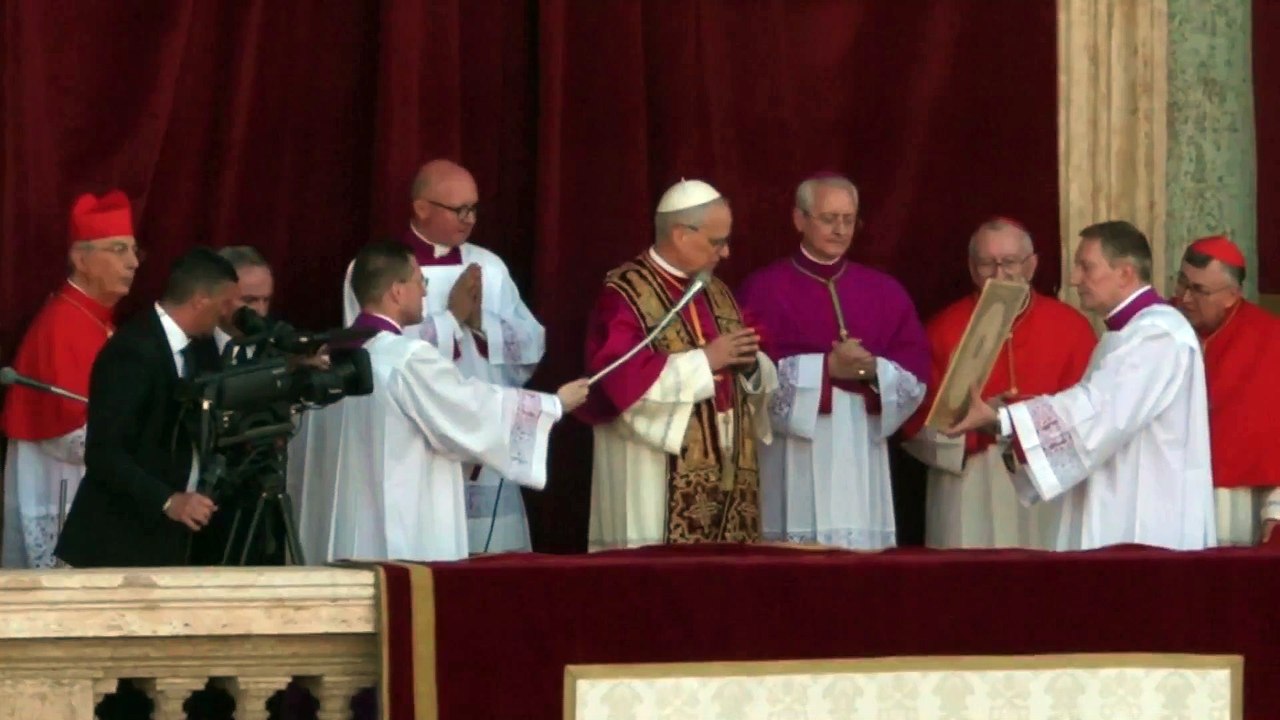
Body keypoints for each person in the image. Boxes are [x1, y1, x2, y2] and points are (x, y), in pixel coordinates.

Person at [296, 242, 588, 562]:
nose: (424, 292)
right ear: (397, 291)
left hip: (342, 532)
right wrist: (553, 405)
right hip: (399, 533)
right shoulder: (406, 359)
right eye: (420, 281)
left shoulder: (325, 359)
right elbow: (471, 409)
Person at [945, 221, 1216, 550]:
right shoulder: (1128, 334)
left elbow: (1098, 412)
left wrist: (1002, 419)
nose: (1074, 279)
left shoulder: (1157, 335)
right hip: (1120, 505)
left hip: (1144, 518)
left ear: (1125, 273)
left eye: (1086, 268)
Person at [341, 160, 545, 554]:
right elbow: (371, 349)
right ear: (421, 208)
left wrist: (481, 323)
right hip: (412, 444)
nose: (469, 220)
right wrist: (450, 319)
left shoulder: (489, 265)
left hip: (480, 430)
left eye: (474, 209)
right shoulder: (376, 270)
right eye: (460, 210)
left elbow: (532, 342)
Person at [579, 179, 778, 549]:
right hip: (651, 469)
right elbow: (620, 381)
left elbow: (749, 367)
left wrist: (751, 368)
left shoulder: (716, 291)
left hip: (728, 469)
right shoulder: (626, 293)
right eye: (717, 242)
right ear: (682, 235)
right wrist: (706, 360)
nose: (726, 253)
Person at [737, 174, 929, 549]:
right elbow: (747, 376)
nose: (840, 229)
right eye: (829, 218)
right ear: (799, 219)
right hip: (791, 447)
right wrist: (824, 370)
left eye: (848, 219)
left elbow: (915, 370)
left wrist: (876, 372)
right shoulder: (763, 289)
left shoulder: (885, 291)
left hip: (860, 442)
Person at [902, 218, 1096, 549]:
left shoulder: (1072, 328)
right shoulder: (943, 329)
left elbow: (1090, 416)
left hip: (1043, 476)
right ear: (971, 267)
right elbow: (915, 420)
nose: (998, 273)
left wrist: (1023, 424)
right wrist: (970, 428)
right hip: (970, 480)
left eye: (1009, 262)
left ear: (1032, 265)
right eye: (986, 263)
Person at [54, 248, 241, 567]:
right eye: (225, 303)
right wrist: (168, 500)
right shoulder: (133, 350)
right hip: (115, 544)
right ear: (200, 300)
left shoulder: (200, 349)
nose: (230, 314)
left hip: (166, 540)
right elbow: (104, 453)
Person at [1, 190, 140, 568]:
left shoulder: (98, 320)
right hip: (59, 484)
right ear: (81, 259)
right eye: (118, 250)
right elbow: (66, 434)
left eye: (133, 251)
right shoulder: (63, 324)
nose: (133, 263)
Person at [1172, 235, 1280, 545]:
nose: (1185, 299)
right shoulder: (1160, 327)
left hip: (1239, 506)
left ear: (1232, 295)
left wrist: (1276, 511)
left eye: (1200, 290)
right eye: (1182, 283)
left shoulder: (1270, 340)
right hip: (1171, 500)